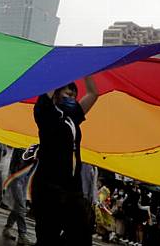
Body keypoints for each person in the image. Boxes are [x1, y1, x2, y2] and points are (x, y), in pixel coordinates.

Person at [31, 76, 98, 245]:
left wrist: (87, 70)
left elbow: (93, 93)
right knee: (47, 238)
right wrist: (63, 68)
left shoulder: (72, 116)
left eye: (74, 94)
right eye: (67, 92)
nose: (72, 96)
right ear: (55, 94)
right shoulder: (45, 113)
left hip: (72, 190)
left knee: (82, 235)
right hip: (48, 188)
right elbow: (48, 92)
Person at [3, 147, 33, 245]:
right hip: (17, 179)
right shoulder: (20, 146)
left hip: (25, 180)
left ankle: (7, 228)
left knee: (18, 207)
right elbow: (16, 164)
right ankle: (22, 234)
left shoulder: (34, 146)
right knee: (21, 207)